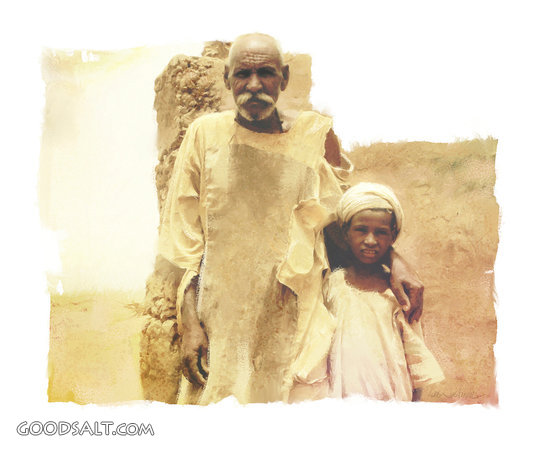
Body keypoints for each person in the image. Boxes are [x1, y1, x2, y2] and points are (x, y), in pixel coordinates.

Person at [158, 33, 424, 405]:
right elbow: (184, 241)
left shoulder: (314, 136)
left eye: (266, 73)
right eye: (243, 74)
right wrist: (190, 324)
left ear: (283, 77)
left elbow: (342, 222)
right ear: (227, 79)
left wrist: (394, 260)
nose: (254, 85)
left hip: (296, 316)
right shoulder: (206, 135)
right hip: (223, 317)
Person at [325, 183, 444, 401]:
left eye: (381, 233)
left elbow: (415, 359)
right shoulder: (332, 286)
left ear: (393, 237)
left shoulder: (400, 295)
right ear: (345, 234)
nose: (370, 240)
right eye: (361, 230)